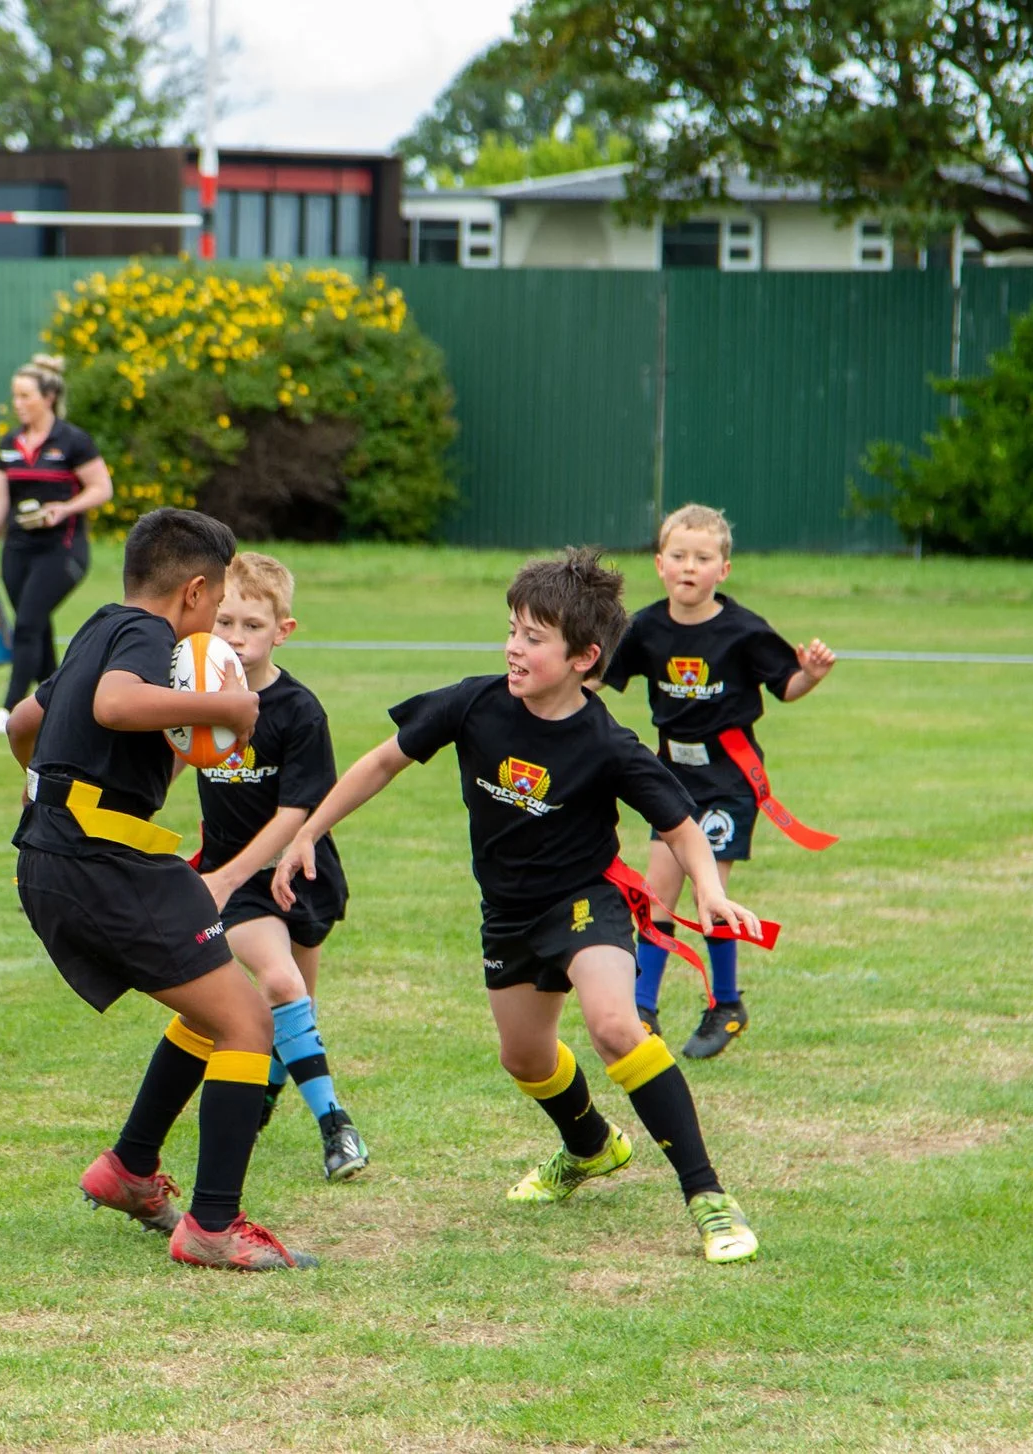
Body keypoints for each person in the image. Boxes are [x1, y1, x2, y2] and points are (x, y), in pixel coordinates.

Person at [274, 548, 766, 1265]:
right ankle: (591, 1146)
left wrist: (712, 891)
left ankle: (709, 1198)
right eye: (512, 630)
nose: (513, 647)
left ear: (583, 657)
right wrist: (310, 831)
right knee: (525, 1056)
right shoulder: (475, 703)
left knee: (614, 1027)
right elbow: (383, 760)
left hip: (584, 903)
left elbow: (682, 824)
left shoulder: (607, 743)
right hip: (507, 915)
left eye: (534, 638)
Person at [12, 508, 313, 1271]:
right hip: (104, 863)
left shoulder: (98, 627)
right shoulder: (152, 638)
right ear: (195, 592)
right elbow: (115, 705)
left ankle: (129, 1169)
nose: (215, 629)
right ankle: (213, 1227)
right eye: (216, 609)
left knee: (216, 1008)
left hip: (61, 854)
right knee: (251, 1024)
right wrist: (229, 705)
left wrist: (45, 788)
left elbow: (26, 721)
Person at [601, 504, 836, 1058]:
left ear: (722, 570)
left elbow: (788, 685)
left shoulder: (744, 630)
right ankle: (643, 1009)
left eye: (703, 558)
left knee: (712, 893)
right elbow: (597, 675)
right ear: (659, 564)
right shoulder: (644, 628)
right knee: (658, 892)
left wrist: (812, 675)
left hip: (727, 777)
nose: (689, 567)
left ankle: (726, 1004)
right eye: (678, 556)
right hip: (669, 774)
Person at [192, 553, 371, 1181]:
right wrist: (222, 875)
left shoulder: (298, 710)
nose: (236, 639)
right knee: (281, 985)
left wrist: (233, 874)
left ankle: (262, 1096)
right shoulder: (197, 697)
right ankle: (337, 1127)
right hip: (234, 881)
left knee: (297, 1008)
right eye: (224, 623)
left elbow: (297, 813)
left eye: (252, 626)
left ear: (282, 631)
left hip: (296, 871)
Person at [0, 355, 113, 735]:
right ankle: (61, 705)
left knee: (28, 623)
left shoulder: (73, 441)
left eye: (25, 395)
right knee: (37, 629)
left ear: (48, 397)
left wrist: (65, 508)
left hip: (63, 550)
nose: (18, 403)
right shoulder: (9, 443)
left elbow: (102, 488)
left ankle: (10, 710)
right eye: (15, 396)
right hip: (17, 551)